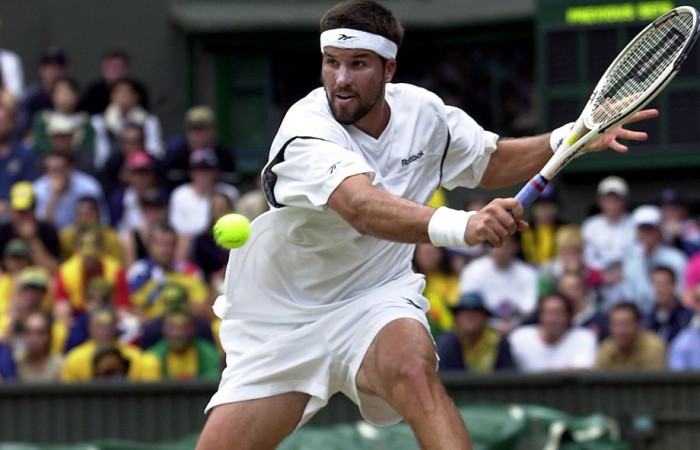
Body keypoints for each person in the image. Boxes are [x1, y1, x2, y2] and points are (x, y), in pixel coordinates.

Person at [195, 2, 657, 449]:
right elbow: (361, 207)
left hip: (376, 296)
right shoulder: (305, 129)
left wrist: (570, 135)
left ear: (389, 70)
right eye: (331, 62)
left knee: (413, 372)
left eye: (357, 64)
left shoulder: (424, 112)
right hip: (286, 318)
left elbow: (488, 160)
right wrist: (465, 225)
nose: (340, 79)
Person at [497, 292, 597, 372]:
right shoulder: (518, 338)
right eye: (548, 313)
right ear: (540, 316)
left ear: (568, 317)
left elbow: (583, 369)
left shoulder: (583, 337)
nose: (552, 319)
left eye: (558, 313)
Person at [168, 148, 239, 263]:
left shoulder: (229, 192)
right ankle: (183, 272)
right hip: (192, 248)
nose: (203, 175)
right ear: (191, 172)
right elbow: (178, 232)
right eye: (199, 169)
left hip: (222, 246)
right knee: (185, 239)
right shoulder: (180, 194)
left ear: (216, 171)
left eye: (207, 169)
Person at [459, 236, 539, 334]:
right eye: (495, 245)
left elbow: (529, 311)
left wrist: (512, 326)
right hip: (482, 329)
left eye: (506, 246)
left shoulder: (528, 273)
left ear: (515, 247)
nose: (501, 251)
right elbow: (468, 307)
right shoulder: (472, 270)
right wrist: (495, 326)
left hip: (518, 329)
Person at [60, 307, 160, 382]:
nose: (104, 332)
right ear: (89, 327)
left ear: (116, 327)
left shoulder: (137, 359)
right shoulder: (74, 359)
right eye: (99, 327)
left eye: (108, 327)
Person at [581, 176, 636, 309]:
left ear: (624, 201)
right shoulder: (590, 226)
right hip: (598, 283)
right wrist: (602, 275)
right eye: (608, 200)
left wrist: (624, 271)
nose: (612, 204)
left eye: (616, 200)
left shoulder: (633, 223)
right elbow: (586, 257)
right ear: (601, 202)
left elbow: (637, 254)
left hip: (626, 280)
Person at [622, 204, 687, 315]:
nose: (647, 234)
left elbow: (682, 293)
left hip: (674, 316)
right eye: (642, 229)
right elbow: (630, 298)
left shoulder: (677, 258)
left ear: (659, 231)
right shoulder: (631, 262)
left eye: (651, 229)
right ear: (637, 233)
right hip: (641, 319)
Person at [91, 77, 162, 170]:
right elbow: (101, 153)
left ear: (136, 97)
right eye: (120, 92)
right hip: (113, 167)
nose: (124, 96)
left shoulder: (149, 120)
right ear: (112, 96)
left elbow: (154, 150)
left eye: (128, 92)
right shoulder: (99, 120)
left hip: (142, 166)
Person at [163, 105, 238, 191]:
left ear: (214, 130)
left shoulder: (225, 156)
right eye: (194, 129)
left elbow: (231, 187)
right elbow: (168, 188)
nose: (198, 134)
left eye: (203, 129)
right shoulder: (176, 156)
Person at [32, 151, 109, 231]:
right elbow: (41, 228)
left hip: (82, 236)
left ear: (70, 169)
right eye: (50, 170)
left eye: (59, 169)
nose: (54, 174)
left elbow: (103, 220)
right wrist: (53, 196)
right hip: (51, 238)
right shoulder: (37, 189)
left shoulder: (89, 187)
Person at [0, 182, 60, 274]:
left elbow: (54, 271)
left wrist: (32, 240)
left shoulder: (47, 231)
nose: (21, 216)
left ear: (34, 210)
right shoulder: (3, 231)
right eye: (18, 211)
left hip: (41, 282)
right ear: (11, 210)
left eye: (26, 211)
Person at [30, 77, 95, 160]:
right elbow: (39, 145)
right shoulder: (43, 119)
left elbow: (88, 148)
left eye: (68, 93)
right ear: (52, 96)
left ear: (77, 96)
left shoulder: (84, 120)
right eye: (59, 93)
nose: (64, 97)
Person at [436, 291, 502, 373]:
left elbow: (509, 375)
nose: (470, 318)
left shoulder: (498, 341)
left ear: (485, 317)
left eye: (475, 312)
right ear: (457, 317)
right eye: (465, 313)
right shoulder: (446, 342)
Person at [148, 308, 221, 380]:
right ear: (163, 329)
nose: (178, 334)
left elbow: (212, 382)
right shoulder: (153, 356)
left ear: (194, 328)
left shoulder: (209, 354)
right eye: (172, 328)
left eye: (183, 328)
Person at [596, 302, 666, 370]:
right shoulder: (606, 348)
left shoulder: (653, 347)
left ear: (638, 325)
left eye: (627, 324)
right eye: (616, 324)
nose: (621, 331)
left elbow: (653, 380)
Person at [79, 49, 149, 115]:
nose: (113, 71)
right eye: (109, 67)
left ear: (126, 69)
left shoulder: (138, 89)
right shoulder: (93, 90)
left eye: (117, 67)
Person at [413, 243, 460, 337]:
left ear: (441, 254)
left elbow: (454, 303)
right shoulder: (411, 281)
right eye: (424, 253)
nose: (428, 257)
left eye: (432, 252)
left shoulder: (451, 280)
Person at [19, 45, 68, 136]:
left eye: (57, 66)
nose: (53, 71)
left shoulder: (71, 95)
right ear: (41, 69)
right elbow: (23, 128)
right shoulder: (31, 96)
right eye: (49, 66)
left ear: (64, 70)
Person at [0, 103, 38, 215]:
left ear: (12, 123)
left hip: (16, 212)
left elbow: (29, 186)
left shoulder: (26, 154)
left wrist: (8, 205)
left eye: (2, 121)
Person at [644, 265, 693, 344]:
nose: (659, 289)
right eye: (655, 284)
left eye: (663, 284)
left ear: (673, 285)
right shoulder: (646, 319)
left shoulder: (688, 317)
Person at [556, 270, 608, 341]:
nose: (570, 293)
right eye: (565, 289)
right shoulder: (552, 320)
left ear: (584, 289)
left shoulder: (601, 318)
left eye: (574, 288)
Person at [14, 311, 63, 383]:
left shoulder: (59, 364)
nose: (33, 337)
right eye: (28, 331)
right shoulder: (15, 362)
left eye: (39, 332)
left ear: (48, 335)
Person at [657, 188, 700, 256]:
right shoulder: (656, 226)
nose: (669, 212)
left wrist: (677, 239)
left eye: (673, 209)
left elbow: (695, 253)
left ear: (684, 210)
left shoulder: (692, 227)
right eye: (665, 208)